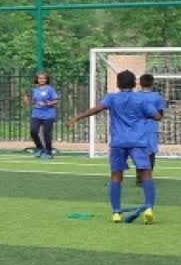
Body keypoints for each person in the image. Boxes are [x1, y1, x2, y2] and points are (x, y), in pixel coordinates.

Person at [67, 70, 161, 224]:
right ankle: (149, 208)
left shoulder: (112, 98)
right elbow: (157, 116)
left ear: (118, 83)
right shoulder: (142, 99)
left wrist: (77, 117)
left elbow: (96, 109)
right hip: (138, 142)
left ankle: (116, 212)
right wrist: (144, 116)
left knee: (116, 176)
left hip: (118, 142)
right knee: (146, 174)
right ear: (134, 83)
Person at [135, 74, 165, 184]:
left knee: (138, 151)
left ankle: (139, 174)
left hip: (137, 128)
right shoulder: (157, 97)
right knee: (151, 152)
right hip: (151, 128)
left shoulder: (135, 96)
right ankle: (147, 176)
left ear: (140, 83)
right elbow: (160, 115)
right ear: (152, 83)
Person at [24, 72, 59, 159]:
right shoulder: (35, 90)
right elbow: (34, 102)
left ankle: (48, 152)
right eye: (40, 78)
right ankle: (39, 148)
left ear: (46, 79)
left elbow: (56, 100)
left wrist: (48, 103)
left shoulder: (50, 89)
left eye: (43, 78)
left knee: (46, 134)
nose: (41, 80)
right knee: (33, 131)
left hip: (48, 115)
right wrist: (27, 100)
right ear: (37, 80)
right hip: (36, 114)